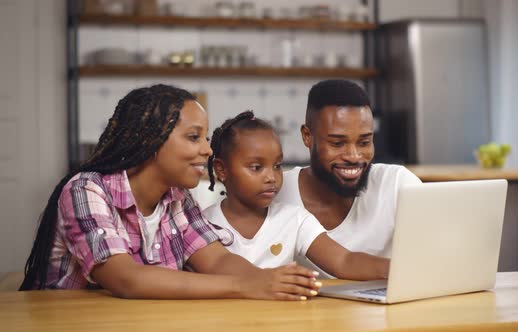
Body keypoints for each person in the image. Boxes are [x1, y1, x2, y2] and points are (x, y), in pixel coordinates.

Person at [19, 84, 320, 301]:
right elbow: (127, 279)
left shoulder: (177, 198)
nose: (208, 149)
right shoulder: (86, 190)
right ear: (152, 141)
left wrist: (267, 281)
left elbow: (216, 261)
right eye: (193, 137)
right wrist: (245, 286)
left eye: (204, 136)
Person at [204, 111, 389, 280]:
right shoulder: (202, 224)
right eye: (256, 168)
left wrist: (396, 269)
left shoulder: (295, 219)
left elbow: (343, 261)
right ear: (221, 170)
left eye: (277, 165)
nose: (271, 177)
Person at [274, 80, 422, 278]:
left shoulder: (397, 184)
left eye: (364, 142)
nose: (353, 156)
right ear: (307, 137)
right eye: (337, 143)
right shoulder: (276, 194)